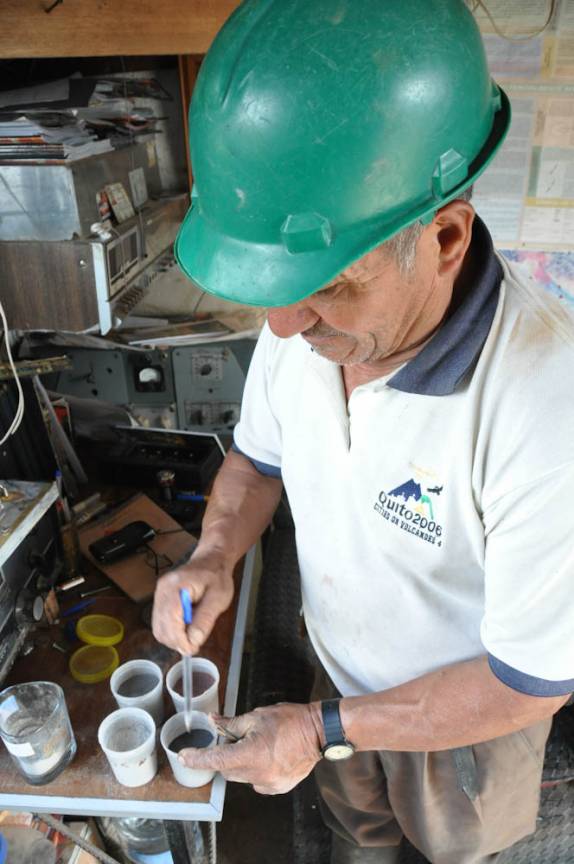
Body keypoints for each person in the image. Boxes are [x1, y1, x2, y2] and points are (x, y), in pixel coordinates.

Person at [152, 1, 574, 861]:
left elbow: (528, 684)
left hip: (463, 723)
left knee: (453, 850)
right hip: (332, 672)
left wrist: (317, 730)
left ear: (446, 237)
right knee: (356, 839)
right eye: (272, 287)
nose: (279, 327)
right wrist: (214, 554)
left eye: (328, 284)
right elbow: (256, 462)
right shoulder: (306, 327)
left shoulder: (544, 407)